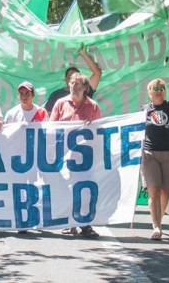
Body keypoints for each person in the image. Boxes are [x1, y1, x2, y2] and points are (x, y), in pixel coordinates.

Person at [50, 73, 101, 237]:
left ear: (86, 88)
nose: (74, 85)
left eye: (78, 83)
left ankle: (85, 224)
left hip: (85, 158)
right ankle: (69, 222)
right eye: (72, 82)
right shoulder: (60, 103)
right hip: (64, 155)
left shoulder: (93, 106)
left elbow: (99, 131)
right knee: (67, 189)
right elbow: (51, 128)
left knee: (84, 190)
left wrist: (91, 127)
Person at [141, 77, 169, 241]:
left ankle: (159, 219)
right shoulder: (144, 110)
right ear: (149, 92)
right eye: (155, 88)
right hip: (149, 154)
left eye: (162, 88)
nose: (158, 91)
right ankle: (156, 226)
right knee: (153, 190)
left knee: (165, 191)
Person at [44, 47, 102, 113]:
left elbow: (97, 73)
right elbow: (49, 115)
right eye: (70, 76)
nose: (73, 80)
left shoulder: (86, 90)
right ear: (65, 79)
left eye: (76, 77)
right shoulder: (56, 95)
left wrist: (84, 54)